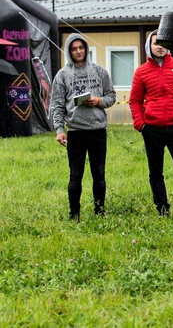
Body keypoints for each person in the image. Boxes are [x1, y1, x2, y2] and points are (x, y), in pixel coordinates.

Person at [129, 30, 173, 217]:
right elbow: (135, 100)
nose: (159, 47)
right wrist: (141, 125)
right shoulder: (141, 72)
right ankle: (162, 209)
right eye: (155, 43)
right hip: (152, 130)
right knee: (156, 172)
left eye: (163, 43)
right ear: (149, 46)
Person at [50, 34, 116, 220]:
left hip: (97, 130)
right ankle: (74, 214)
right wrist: (59, 130)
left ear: (86, 49)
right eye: (74, 48)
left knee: (99, 175)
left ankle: (100, 212)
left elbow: (112, 96)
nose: (78, 51)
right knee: (75, 176)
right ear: (69, 51)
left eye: (81, 47)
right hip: (75, 132)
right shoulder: (62, 75)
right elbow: (56, 104)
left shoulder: (100, 71)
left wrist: (98, 101)